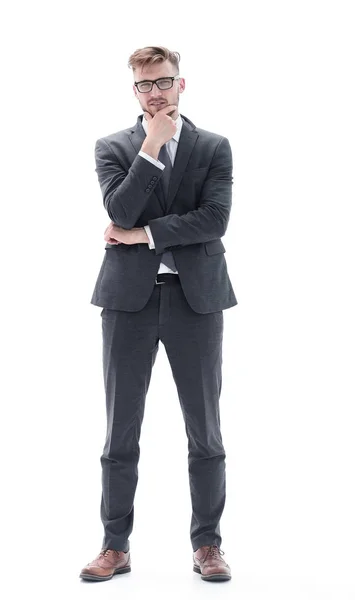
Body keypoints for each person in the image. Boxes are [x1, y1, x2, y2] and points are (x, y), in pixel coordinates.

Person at [79, 45, 237, 583]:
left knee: (205, 432)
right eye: (145, 85)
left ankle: (208, 544)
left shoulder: (214, 146)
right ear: (135, 91)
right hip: (129, 303)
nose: (156, 92)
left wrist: (142, 234)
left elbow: (214, 220)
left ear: (182, 84)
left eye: (164, 82)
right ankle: (115, 545)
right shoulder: (113, 147)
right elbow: (118, 210)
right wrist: (150, 149)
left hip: (197, 301)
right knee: (120, 432)